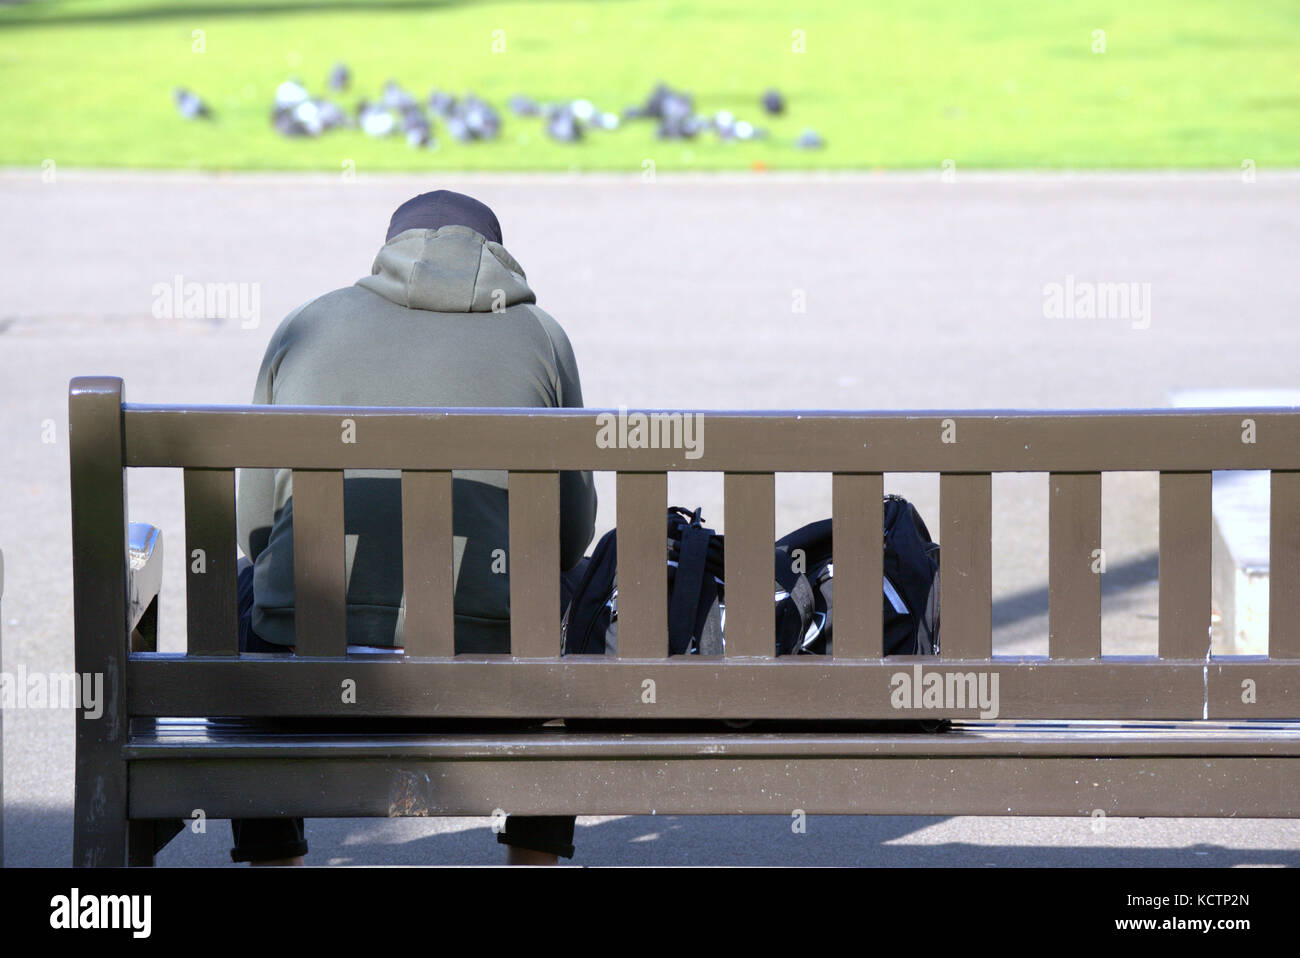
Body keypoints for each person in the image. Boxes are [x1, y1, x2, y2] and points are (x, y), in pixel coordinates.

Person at [233, 190, 596, 865]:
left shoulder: (307, 325)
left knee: (243, 589)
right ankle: (534, 856)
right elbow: (571, 535)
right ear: (498, 256)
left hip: (304, 669)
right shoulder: (541, 335)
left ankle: (272, 855)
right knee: (561, 592)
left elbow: (254, 528)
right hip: (497, 671)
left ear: (387, 250)